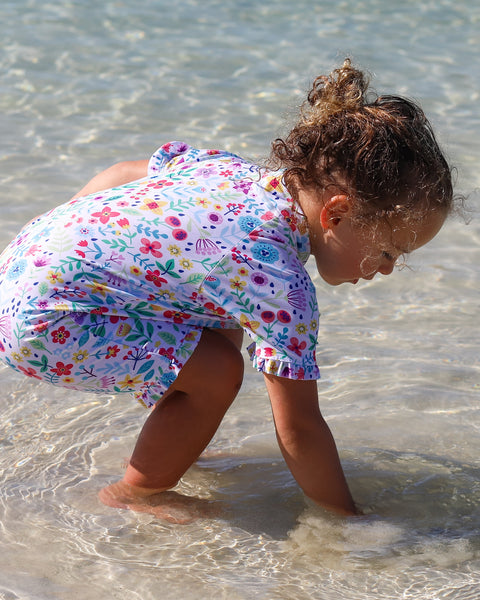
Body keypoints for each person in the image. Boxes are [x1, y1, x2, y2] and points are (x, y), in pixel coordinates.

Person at [0, 59, 455, 523]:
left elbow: (121, 173)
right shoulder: (277, 280)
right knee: (218, 372)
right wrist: (346, 517)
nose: (389, 269)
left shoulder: (230, 171)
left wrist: (60, 239)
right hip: (45, 325)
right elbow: (299, 426)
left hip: (20, 265)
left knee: (219, 320)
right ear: (336, 214)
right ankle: (135, 491)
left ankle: (177, 441)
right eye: (389, 250)